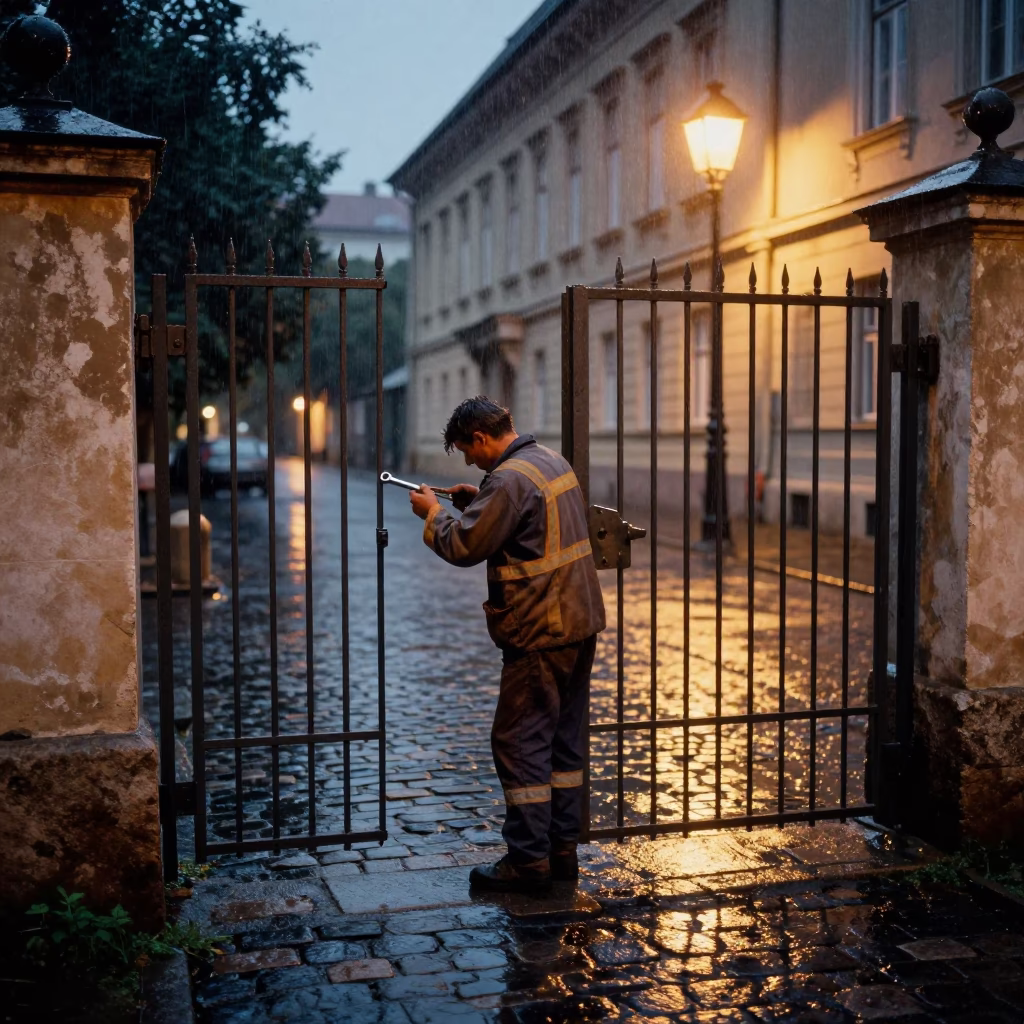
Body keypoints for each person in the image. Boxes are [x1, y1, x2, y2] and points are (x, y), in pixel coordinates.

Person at [408, 396, 605, 892]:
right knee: (563, 742)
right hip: (579, 624)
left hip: (540, 629)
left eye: (467, 452)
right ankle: (561, 851)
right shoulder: (549, 461)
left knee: (519, 742)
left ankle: (528, 862)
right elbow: (527, 523)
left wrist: (433, 515)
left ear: (480, 437)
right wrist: (477, 501)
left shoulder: (508, 481)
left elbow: (463, 546)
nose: (469, 462)